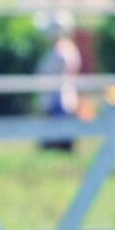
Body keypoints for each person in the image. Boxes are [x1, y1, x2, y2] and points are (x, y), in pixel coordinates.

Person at [35, 10, 82, 150]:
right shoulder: (64, 49)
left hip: (59, 101)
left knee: (59, 142)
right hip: (57, 99)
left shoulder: (61, 50)